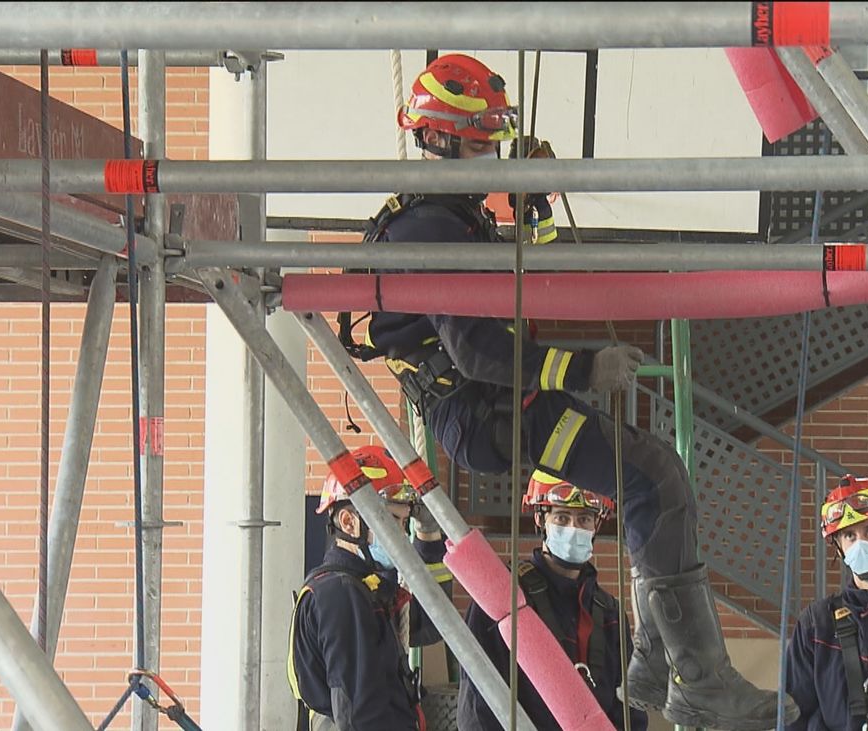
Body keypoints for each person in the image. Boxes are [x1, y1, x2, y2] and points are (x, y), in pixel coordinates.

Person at [354, 51, 793, 731]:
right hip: (484, 409)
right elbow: (477, 350)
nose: (490, 153)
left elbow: (534, 268)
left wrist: (534, 204)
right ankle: (696, 681)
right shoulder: (431, 227)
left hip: (492, 406)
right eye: (480, 142)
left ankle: (660, 663)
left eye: (493, 140)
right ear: (437, 138)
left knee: (657, 475)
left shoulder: (452, 215)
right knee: (652, 476)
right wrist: (585, 369)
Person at [456, 471, 649, 730]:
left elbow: (628, 707)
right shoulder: (504, 597)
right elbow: (479, 704)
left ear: (596, 525)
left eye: (584, 519)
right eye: (561, 517)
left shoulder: (609, 612)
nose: (573, 528)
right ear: (540, 518)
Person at [287, 445, 453, 731]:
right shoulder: (341, 595)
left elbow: (431, 622)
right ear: (349, 522)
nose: (402, 534)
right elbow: (359, 716)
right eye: (391, 520)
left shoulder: (367, 589)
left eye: (404, 522)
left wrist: (428, 536)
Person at [785, 475, 868, 730]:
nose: (861, 543)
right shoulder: (817, 624)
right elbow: (795, 714)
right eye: (850, 536)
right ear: (839, 548)